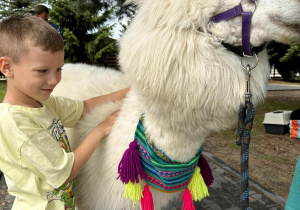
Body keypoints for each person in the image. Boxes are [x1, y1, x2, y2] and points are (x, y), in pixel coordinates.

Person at [0, 14, 129, 210]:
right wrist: (100, 130)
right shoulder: (15, 123)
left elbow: (84, 107)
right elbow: (65, 172)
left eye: (58, 69)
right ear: (7, 67)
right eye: (42, 71)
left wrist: (130, 91)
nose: (54, 80)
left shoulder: (43, 103)